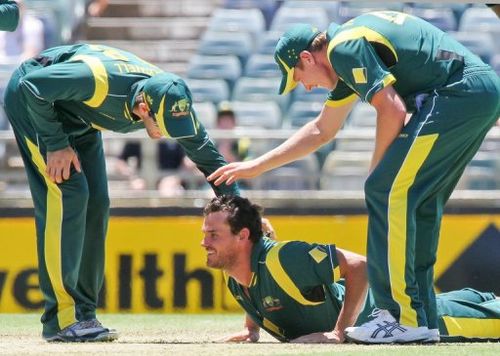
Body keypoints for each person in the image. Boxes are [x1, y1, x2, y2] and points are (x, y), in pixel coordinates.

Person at [207, 11, 500, 343]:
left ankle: (398, 316)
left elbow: (392, 110)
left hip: (455, 94)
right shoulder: (346, 56)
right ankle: (420, 315)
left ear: (307, 57)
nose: (305, 85)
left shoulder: (343, 49)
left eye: (299, 76)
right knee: (419, 202)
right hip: (473, 92)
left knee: (385, 189)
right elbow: (322, 129)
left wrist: (378, 176)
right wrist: (255, 166)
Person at [3, 43, 239, 342]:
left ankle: (84, 316)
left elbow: (212, 163)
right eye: (163, 125)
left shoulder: (170, 96)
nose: (168, 133)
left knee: (98, 203)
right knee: (70, 192)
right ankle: (60, 321)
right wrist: (56, 143)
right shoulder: (97, 80)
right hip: (34, 103)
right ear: (142, 108)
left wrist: (244, 217)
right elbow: (32, 86)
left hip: (79, 114)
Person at [201, 195, 500, 344]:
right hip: (399, 316)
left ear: (243, 237)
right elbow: (259, 287)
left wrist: (338, 332)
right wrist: (251, 329)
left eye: (213, 235)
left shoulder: (284, 258)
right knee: (476, 298)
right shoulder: (235, 277)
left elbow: (359, 265)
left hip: (399, 321)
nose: (204, 243)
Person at [0, 0, 45, 65]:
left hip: (24, 66)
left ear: (24, 7)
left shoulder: (33, 24)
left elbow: (31, 54)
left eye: (18, 5)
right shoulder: (3, 22)